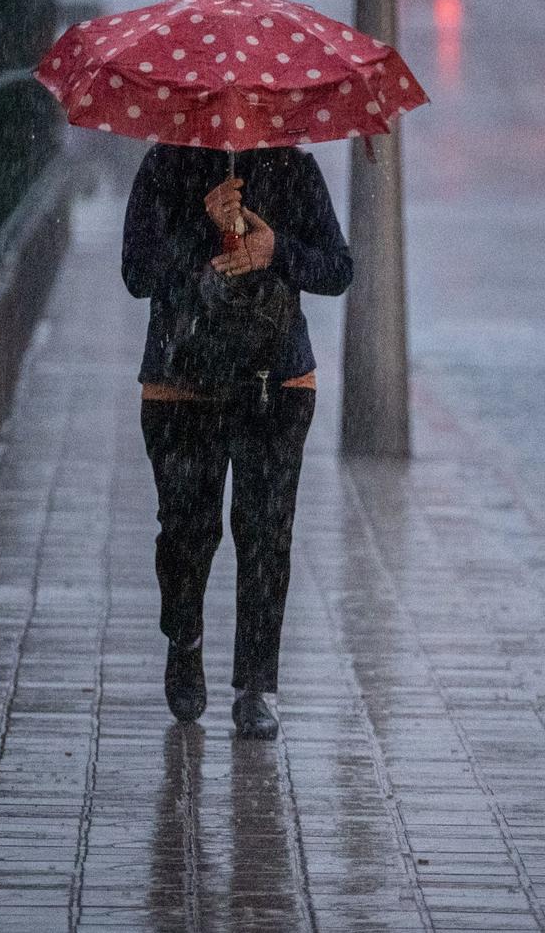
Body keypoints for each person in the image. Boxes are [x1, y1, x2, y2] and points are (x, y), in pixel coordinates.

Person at [121, 144, 352, 739]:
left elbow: (336, 269)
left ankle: (256, 686)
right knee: (187, 531)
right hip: (182, 382)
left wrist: (277, 251)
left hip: (274, 381)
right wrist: (204, 225)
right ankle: (185, 637)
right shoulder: (165, 167)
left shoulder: (295, 170)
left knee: (266, 532)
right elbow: (138, 273)